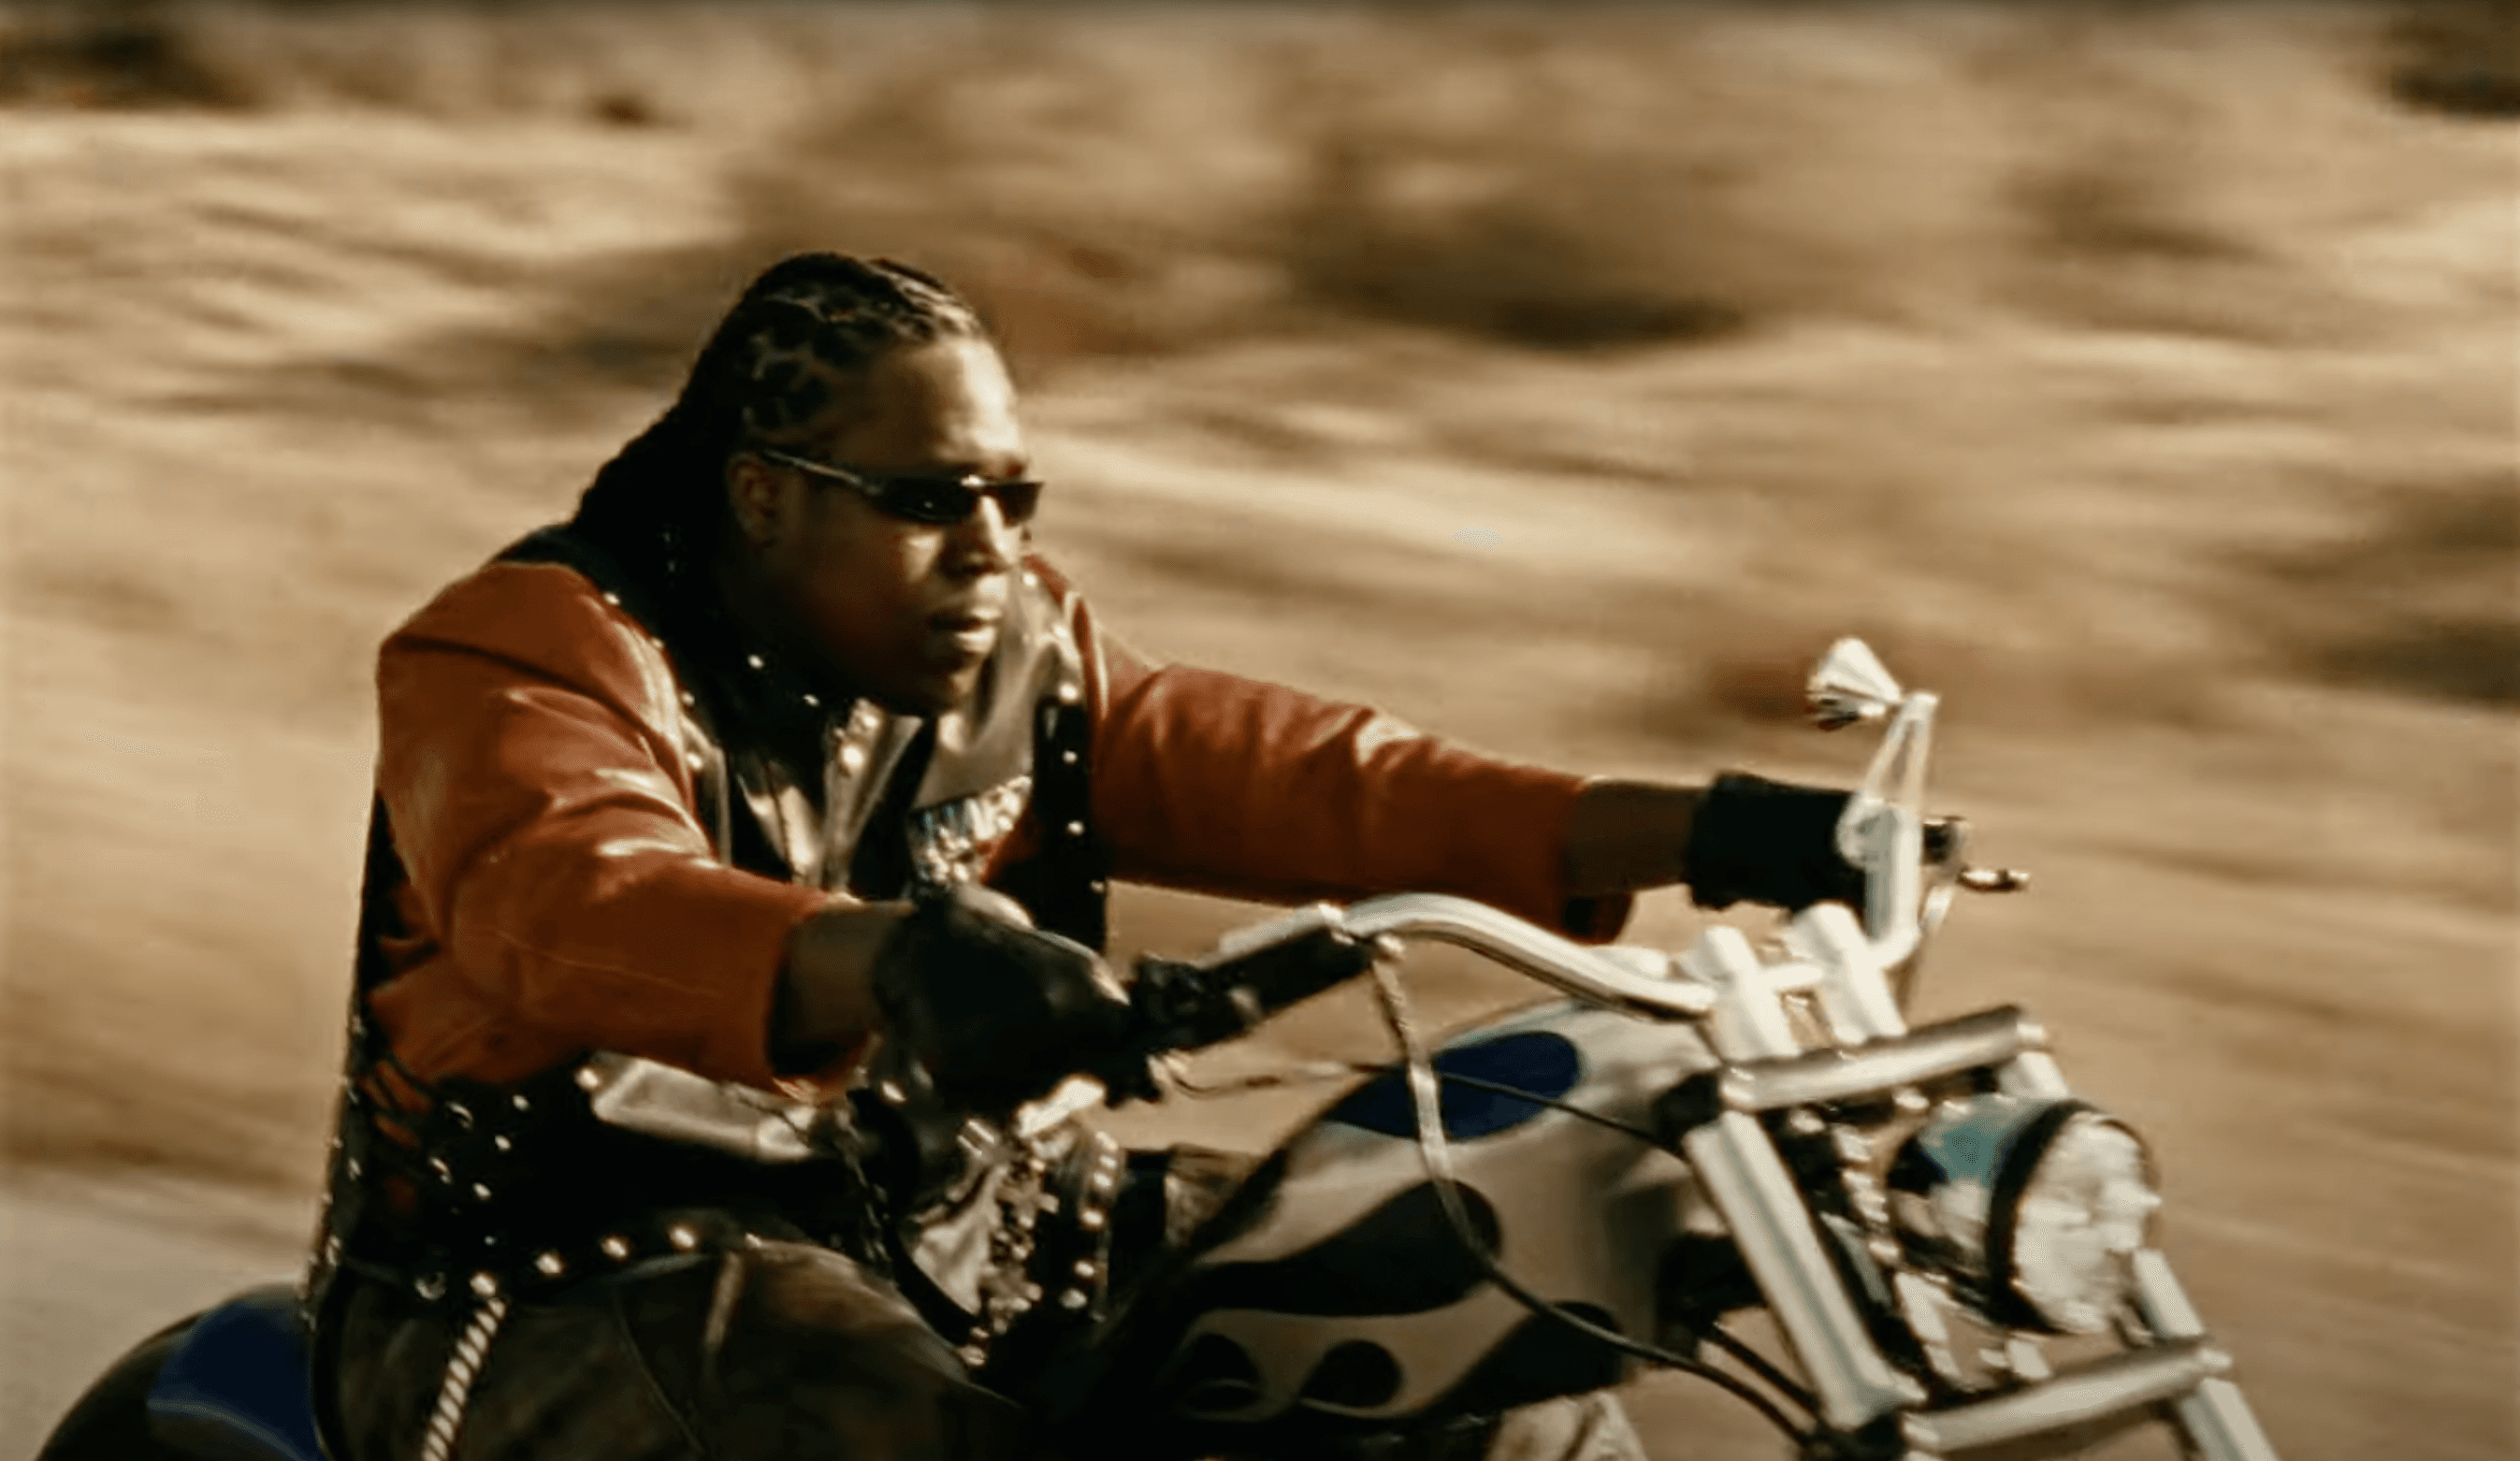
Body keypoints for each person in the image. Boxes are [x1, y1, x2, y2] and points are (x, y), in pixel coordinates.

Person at [301, 253, 1872, 1461]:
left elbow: (1326, 783)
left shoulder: (1017, 662)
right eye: (927, 502)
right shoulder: (538, 648)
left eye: (1011, 497)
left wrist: (1711, 825)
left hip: (984, 1240)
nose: (990, 548)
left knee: (1475, 1317)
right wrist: (900, 963)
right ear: (760, 495)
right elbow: (568, 899)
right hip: (555, 1285)